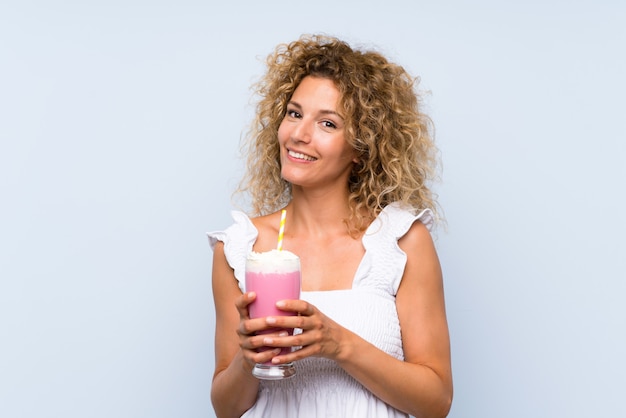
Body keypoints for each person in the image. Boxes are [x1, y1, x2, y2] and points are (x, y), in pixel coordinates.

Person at [207, 34, 452, 418]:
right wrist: (247, 359)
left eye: (327, 123)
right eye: (294, 113)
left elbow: (436, 402)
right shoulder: (241, 249)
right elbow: (226, 407)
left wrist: (337, 343)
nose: (299, 134)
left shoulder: (401, 243)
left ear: (360, 147)